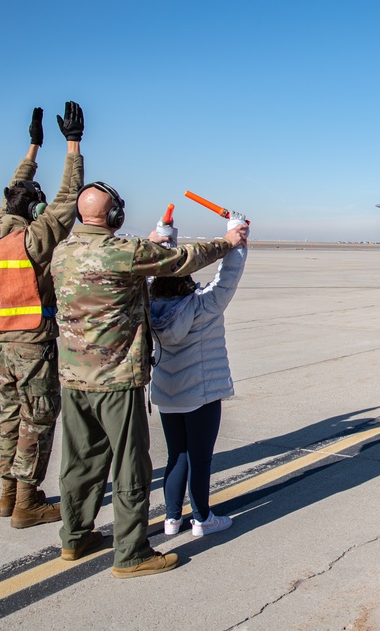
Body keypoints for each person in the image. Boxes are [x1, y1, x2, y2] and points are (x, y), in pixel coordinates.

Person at [51, 183, 248, 578]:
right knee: (131, 467)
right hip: (115, 380)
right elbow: (181, 259)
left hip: (74, 380)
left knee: (80, 463)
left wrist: (158, 235)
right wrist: (230, 240)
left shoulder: (63, 251)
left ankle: (75, 537)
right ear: (114, 217)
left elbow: (136, 259)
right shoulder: (127, 254)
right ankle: (132, 553)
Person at [0, 104, 84, 528]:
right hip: (34, 345)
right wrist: (73, 145)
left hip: (4, 344)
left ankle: (8, 495)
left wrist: (34, 146)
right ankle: (27, 503)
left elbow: (15, 188)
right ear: (34, 210)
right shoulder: (34, 239)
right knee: (37, 420)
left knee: (9, 417)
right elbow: (68, 198)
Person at [148, 217, 248, 538]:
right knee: (200, 460)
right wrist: (237, 235)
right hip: (201, 396)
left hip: (167, 395)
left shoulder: (150, 306)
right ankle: (203, 519)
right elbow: (228, 275)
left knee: (176, 456)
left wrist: (164, 236)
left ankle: (172, 519)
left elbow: (156, 268)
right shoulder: (205, 306)